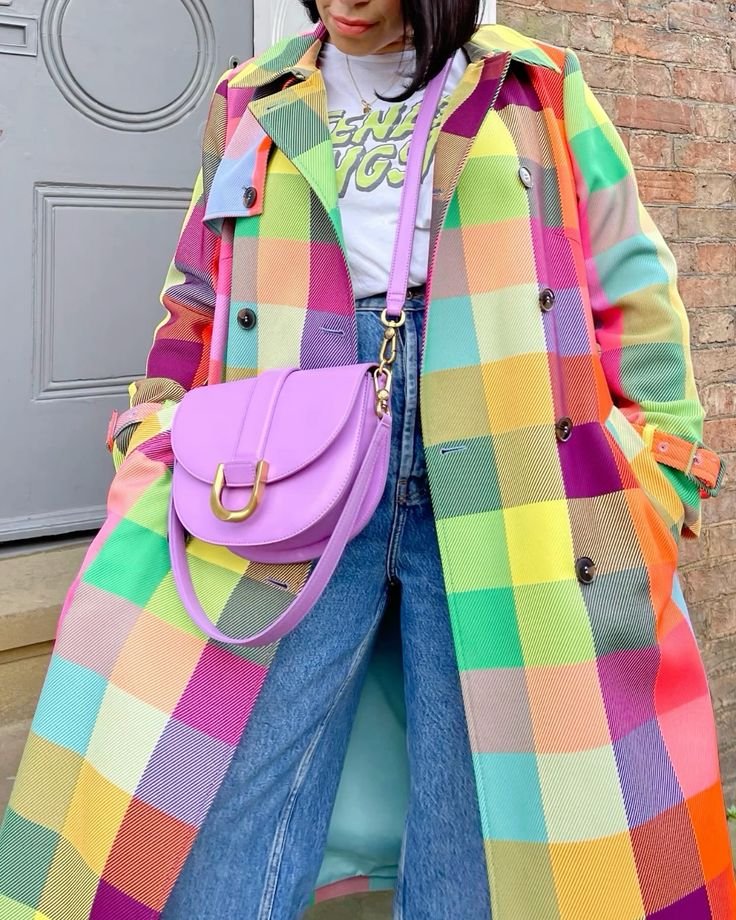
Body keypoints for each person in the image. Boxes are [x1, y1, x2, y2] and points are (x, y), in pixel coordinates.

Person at [0, 1, 733, 918]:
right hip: (286, 456)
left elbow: (630, 277)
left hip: (505, 449)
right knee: (222, 760)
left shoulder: (533, 84)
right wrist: (154, 431)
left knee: (488, 781)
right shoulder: (252, 95)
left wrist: (659, 465)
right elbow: (197, 289)